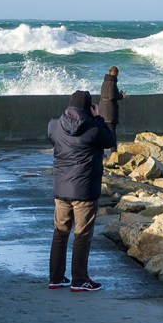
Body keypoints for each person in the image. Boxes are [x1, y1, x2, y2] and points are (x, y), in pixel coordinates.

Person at [48, 90, 116, 292]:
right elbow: (110, 140)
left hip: (61, 188)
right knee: (82, 234)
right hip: (84, 190)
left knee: (60, 233)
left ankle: (56, 277)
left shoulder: (54, 125)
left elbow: (53, 138)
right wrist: (99, 118)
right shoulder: (94, 128)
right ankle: (79, 279)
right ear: (89, 107)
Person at [99, 66, 126, 134]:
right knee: (111, 132)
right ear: (117, 74)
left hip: (102, 109)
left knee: (105, 132)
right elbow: (111, 96)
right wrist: (121, 96)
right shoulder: (112, 83)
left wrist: (118, 93)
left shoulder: (105, 82)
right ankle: (113, 144)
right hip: (110, 112)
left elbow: (107, 94)